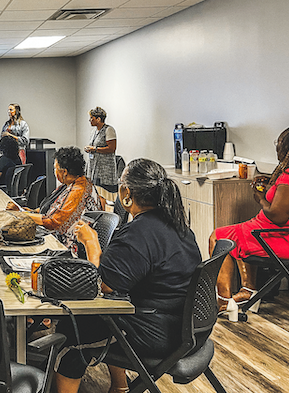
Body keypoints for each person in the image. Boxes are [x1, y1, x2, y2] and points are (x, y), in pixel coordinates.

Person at [54, 158, 201, 393]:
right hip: (188, 329)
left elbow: (101, 287)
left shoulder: (138, 234)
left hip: (157, 333)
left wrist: (91, 242)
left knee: (72, 336)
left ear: (126, 193)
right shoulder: (179, 225)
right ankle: (120, 387)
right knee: (108, 316)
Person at [210, 120, 289, 312]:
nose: (278, 147)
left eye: (280, 143)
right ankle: (248, 290)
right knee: (239, 232)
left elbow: (278, 216)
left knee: (219, 237)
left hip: (285, 239)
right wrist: (273, 185)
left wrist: (260, 198)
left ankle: (223, 301)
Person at [8, 147, 101, 248]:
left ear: (64, 172)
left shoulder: (77, 192)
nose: (54, 171)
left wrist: (22, 214)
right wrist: (29, 212)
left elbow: (52, 222)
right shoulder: (76, 183)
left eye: (55, 168)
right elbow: (53, 208)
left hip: (65, 245)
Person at [84, 107, 118, 193]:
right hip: (94, 166)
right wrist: (89, 148)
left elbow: (111, 148)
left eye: (92, 118)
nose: (90, 120)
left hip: (105, 169)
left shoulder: (109, 130)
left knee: (105, 193)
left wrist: (95, 149)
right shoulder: (94, 131)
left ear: (98, 119)